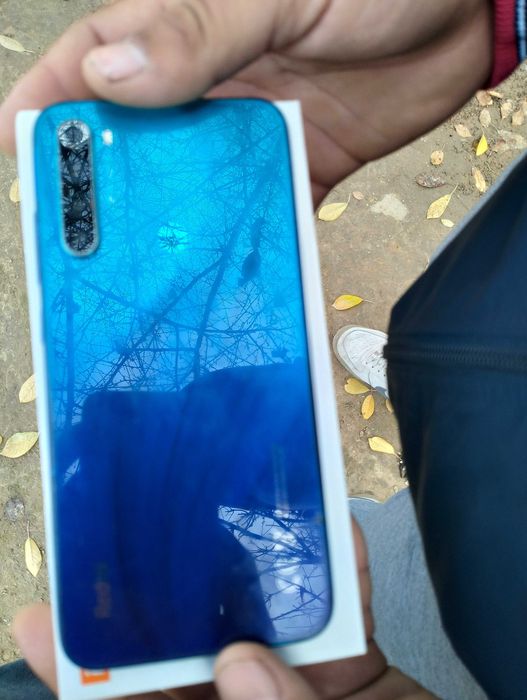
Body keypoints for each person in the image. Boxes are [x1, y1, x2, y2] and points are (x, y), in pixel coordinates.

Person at [0, 0, 523, 697]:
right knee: (353, 548)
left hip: (489, 635)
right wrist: (493, 14)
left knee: (328, 570)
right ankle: (413, 377)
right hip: (478, 356)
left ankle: (410, 387)